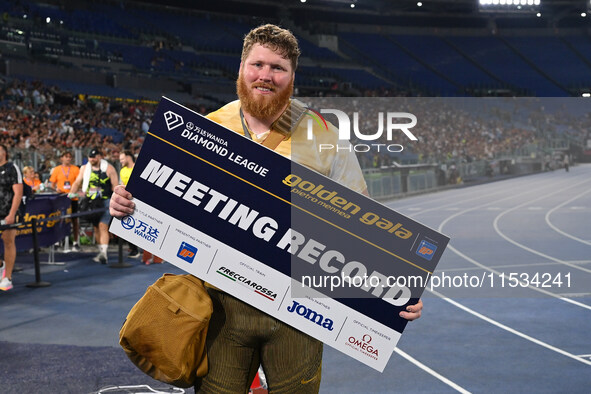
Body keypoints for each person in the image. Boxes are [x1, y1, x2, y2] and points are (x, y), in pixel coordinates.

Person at [110, 24, 423, 393]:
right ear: (241, 67)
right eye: (258, 64)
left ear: (293, 76)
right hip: (221, 305)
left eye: (278, 68)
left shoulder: (324, 137)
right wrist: (126, 206)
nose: (266, 76)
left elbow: (366, 226)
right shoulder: (206, 129)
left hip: (297, 311)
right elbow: (169, 203)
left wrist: (395, 290)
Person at [70, 148, 118, 264]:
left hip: (105, 201)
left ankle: (104, 253)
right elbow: (77, 181)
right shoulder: (85, 168)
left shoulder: (109, 169)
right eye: (90, 157)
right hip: (91, 202)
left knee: (103, 226)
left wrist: (115, 202)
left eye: (94, 157)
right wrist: (71, 193)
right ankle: (101, 252)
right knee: (96, 227)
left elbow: (115, 186)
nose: (91, 159)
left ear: (99, 157)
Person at [0, 144, 24, 291]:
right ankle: (1, 264)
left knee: (8, 242)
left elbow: (18, 193)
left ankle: (7, 277)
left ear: (5, 152)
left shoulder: (11, 168)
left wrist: (12, 214)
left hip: (8, 211)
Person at [49, 151, 81, 251]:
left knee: (74, 220)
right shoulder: (57, 169)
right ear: (61, 158)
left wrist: (73, 191)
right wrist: (56, 190)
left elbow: (79, 183)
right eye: (66, 156)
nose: (68, 158)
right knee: (59, 219)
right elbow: (51, 185)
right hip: (61, 198)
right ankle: (58, 241)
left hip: (72, 197)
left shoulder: (75, 169)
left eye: (70, 157)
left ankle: (75, 242)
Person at [118, 151, 140, 259]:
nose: (120, 161)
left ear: (128, 157)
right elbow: (123, 186)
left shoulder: (138, 167)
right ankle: (134, 249)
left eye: (122, 158)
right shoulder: (122, 171)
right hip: (128, 201)